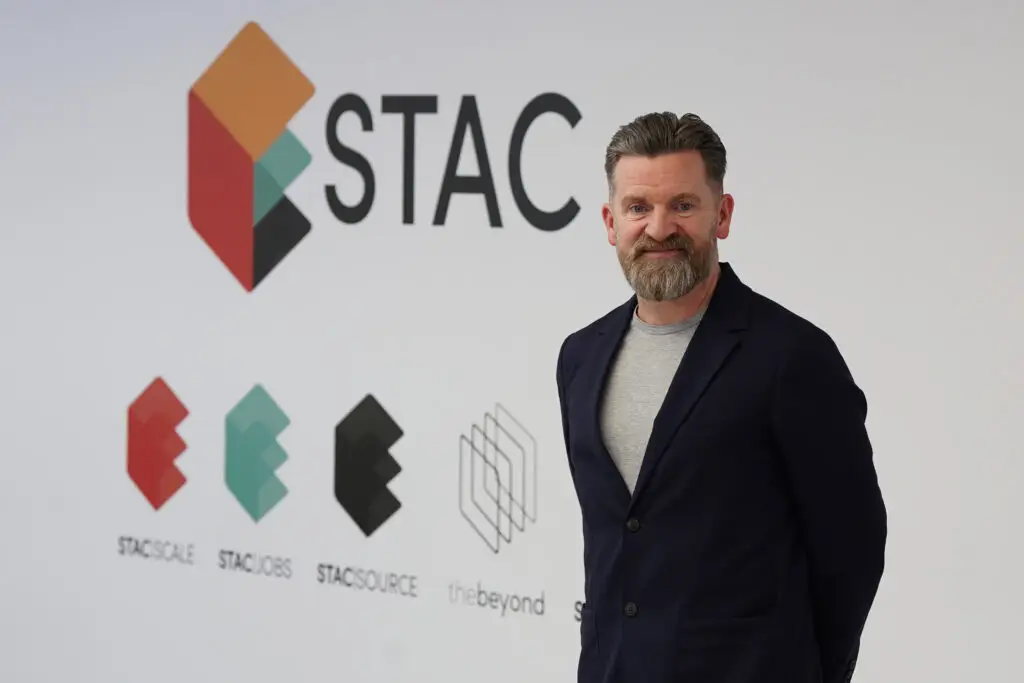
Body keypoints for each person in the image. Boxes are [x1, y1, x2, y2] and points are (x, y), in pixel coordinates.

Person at [555, 112, 887, 683]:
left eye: (683, 205)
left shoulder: (791, 356)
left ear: (723, 214)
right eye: (638, 207)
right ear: (611, 222)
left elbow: (852, 547)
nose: (660, 227)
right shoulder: (579, 357)